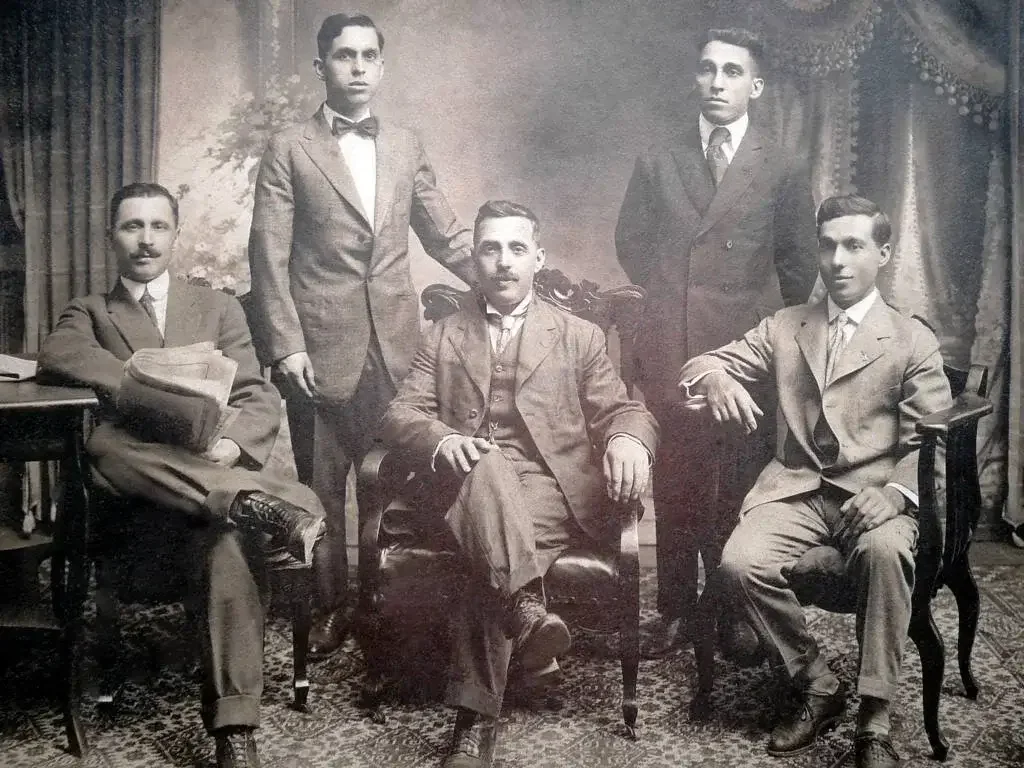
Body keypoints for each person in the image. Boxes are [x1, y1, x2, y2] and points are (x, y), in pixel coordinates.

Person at [38, 183, 327, 768]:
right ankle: (262, 500)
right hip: (138, 502)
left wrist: (232, 443)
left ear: (176, 234)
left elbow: (256, 395)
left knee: (226, 539)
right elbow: (60, 355)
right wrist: (145, 386)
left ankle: (234, 733)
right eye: (132, 226)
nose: (145, 240)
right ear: (112, 236)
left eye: (158, 226)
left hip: (208, 487)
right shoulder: (88, 312)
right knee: (105, 443)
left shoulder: (218, 307)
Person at [379, 201, 658, 768]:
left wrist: (630, 438)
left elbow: (621, 410)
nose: (503, 261)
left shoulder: (578, 335)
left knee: (485, 551)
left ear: (537, 258)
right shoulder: (443, 334)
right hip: (458, 484)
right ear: (474, 259)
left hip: (546, 489)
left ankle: (472, 723)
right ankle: (524, 612)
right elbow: (400, 412)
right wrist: (441, 440)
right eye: (490, 249)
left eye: (516, 248)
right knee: (483, 471)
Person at [679, 195, 953, 768]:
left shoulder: (911, 339)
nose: (838, 261)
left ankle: (874, 716)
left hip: (876, 496)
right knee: (739, 564)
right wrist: (716, 378)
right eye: (827, 246)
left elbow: (934, 442)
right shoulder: (786, 326)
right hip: (796, 490)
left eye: (853, 246)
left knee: (883, 552)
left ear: (882, 253)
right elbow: (700, 364)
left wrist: (896, 493)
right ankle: (817, 683)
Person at [247, 12, 475, 658]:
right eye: (344, 55)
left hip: (399, 348)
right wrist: (286, 344)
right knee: (322, 489)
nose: (356, 67)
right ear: (321, 67)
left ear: (381, 67)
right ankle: (330, 608)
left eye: (368, 56)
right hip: (318, 350)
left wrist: (506, 279)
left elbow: (445, 235)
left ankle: (394, 603)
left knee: (403, 479)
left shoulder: (405, 143)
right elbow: (268, 255)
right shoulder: (290, 147)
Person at [615, 27, 819, 658]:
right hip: (674, 345)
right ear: (695, 78)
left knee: (737, 482)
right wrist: (674, 299)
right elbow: (632, 245)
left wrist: (758, 332)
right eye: (707, 69)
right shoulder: (659, 158)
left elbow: (799, 262)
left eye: (732, 72)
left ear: (755, 86)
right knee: (677, 484)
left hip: (747, 353)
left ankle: (732, 612)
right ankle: (675, 610)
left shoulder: (782, 164)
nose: (717, 82)